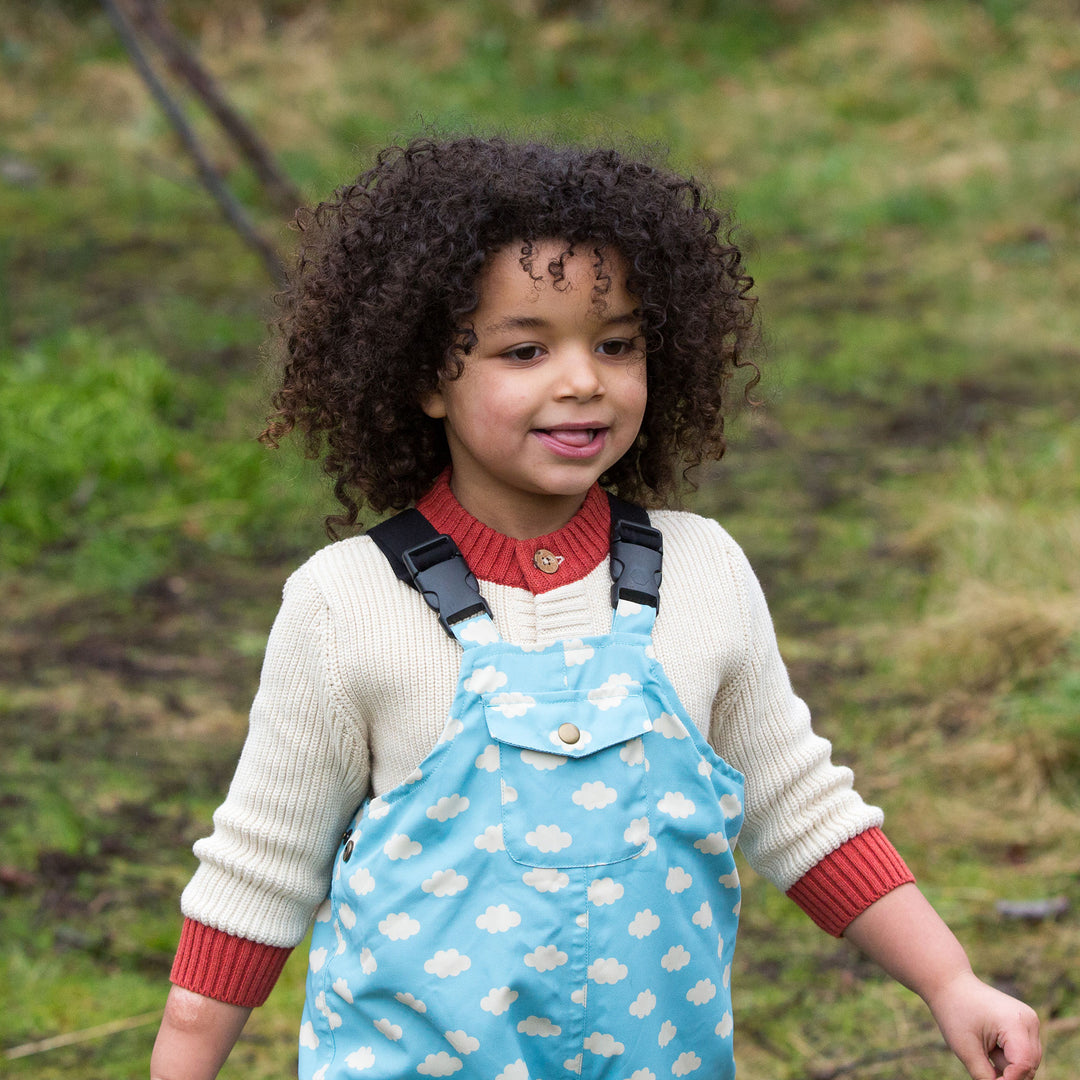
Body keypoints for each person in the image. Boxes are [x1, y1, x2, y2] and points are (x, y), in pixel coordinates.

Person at [151, 136, 1041, 1080]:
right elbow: (257, 879)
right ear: (423, 376)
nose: (582, 379)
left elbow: (802, 807)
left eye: (615, 344)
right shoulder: (348, 603)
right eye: (525, 348)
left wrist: (951, 982)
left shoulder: (703, 572)